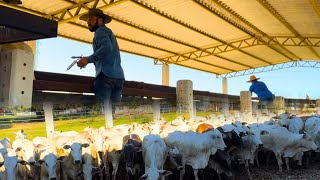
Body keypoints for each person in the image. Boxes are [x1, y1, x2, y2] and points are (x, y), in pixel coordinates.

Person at [77, 8, 125, 106]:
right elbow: (109, 52)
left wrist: (88, 59)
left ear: (100, 20)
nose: (88, 22)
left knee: (103, 110)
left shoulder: (100, 31)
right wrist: (95, 61)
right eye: (87, 20)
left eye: (91, 19)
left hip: (106, 76)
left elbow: (106, 48)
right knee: (112, 112)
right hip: (118, 77)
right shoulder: (109, 33)